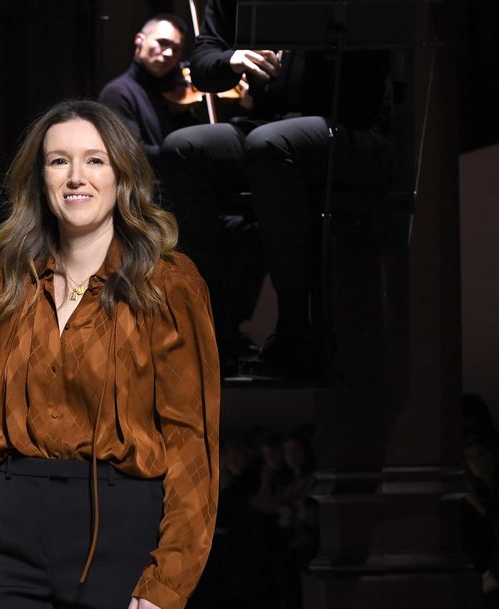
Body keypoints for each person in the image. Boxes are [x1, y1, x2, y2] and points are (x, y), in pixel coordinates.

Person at [0, 99, 219, 609]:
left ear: (121, 175)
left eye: (94, 160)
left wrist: (169, 581)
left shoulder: (169, 283)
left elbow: (192, 442)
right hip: (10, 535)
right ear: (39, 179)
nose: (76, 177)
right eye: (58, 161)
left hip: (120, 534)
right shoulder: (8, 283)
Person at [158, 0, 392, 378]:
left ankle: (295, 330)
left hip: (352, 128)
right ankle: (213, 328)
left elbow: (375, 55)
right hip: (269, 130)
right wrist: (234, 59)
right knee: (182, 150)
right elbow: (202, 65)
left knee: (268, 144)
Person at [98, 13, 197, 168]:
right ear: (140, 40)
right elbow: (132, 154)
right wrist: (184, 153)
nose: (169, 53)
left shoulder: (178, 92)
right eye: (163, 43)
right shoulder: (117, 93)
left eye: (176, 49)